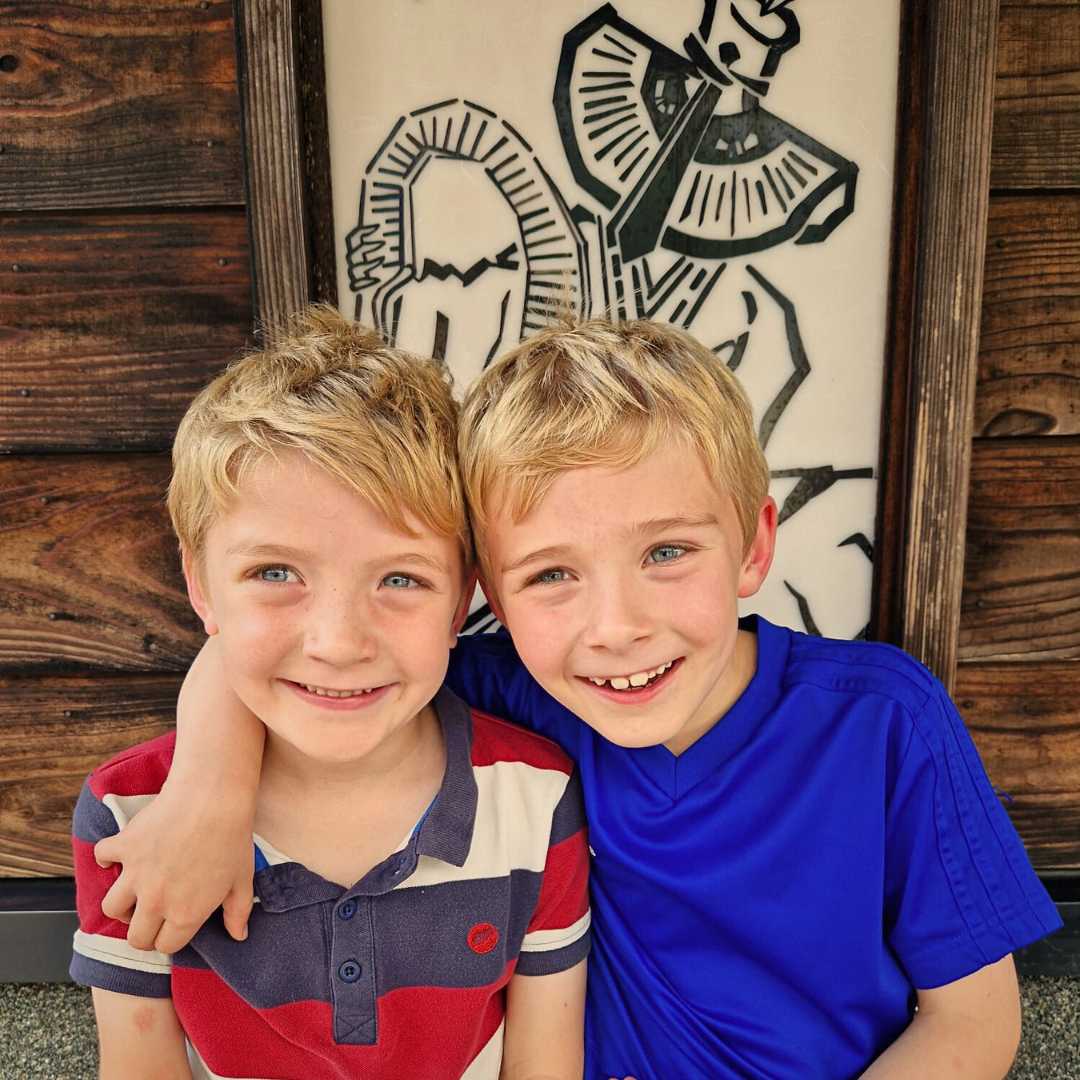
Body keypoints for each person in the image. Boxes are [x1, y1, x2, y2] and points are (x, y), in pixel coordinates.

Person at [96, 317, 1060, 1079]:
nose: (616, 627)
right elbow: (302, 662)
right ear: (491, 596)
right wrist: (210, 790)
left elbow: (976, 1026)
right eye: (551, 575)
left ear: (755, 545)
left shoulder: (884, 724)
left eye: (667, 552)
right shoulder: (512, 692)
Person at [70, 308, 590, 1080]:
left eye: (400, 579)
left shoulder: (534, 797)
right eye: (276, 573)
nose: (339, 642)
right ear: (199, 584)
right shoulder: (131, 817)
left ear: (460, 603)